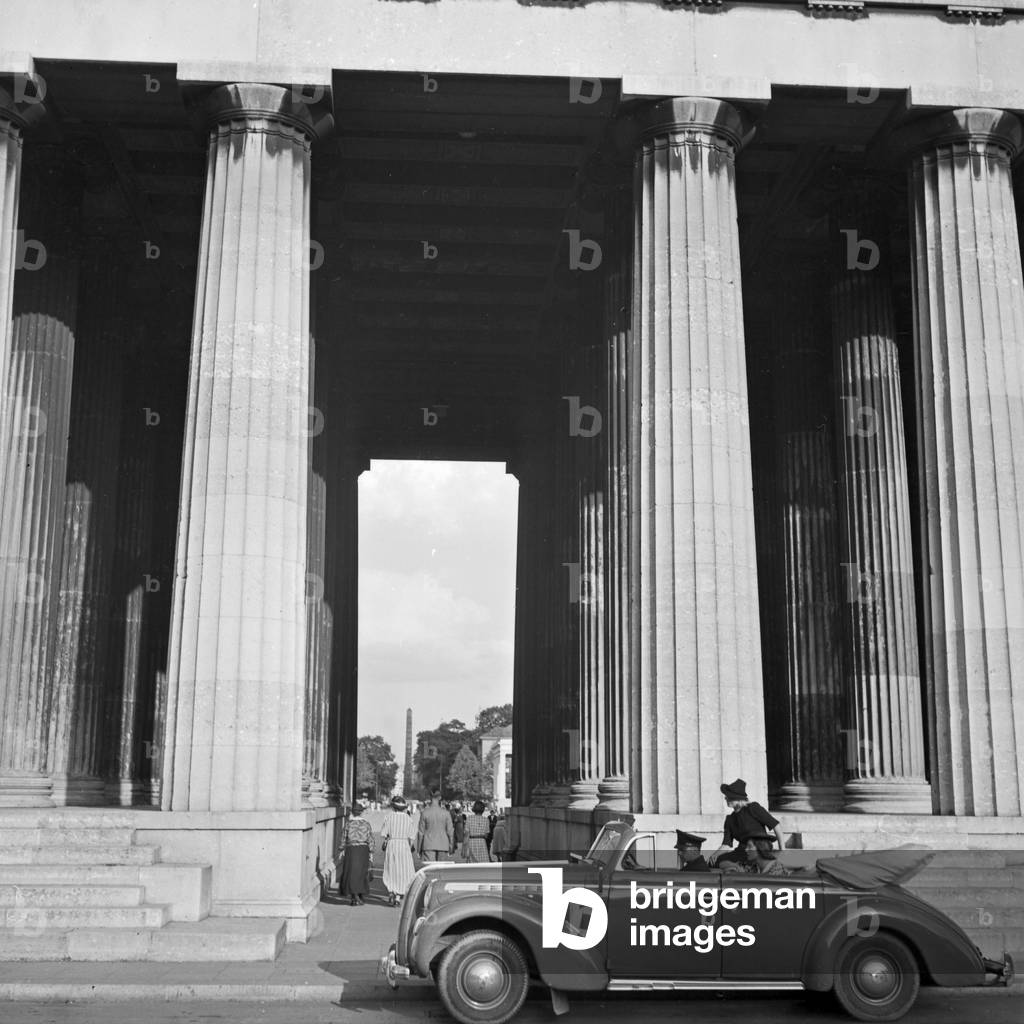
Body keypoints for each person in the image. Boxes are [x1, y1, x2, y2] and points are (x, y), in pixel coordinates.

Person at [707, 778, 785, 866]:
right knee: (716, 862)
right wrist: (715, 855)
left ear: (739, 799)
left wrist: (782, 851)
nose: (726, 799)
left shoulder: (753, 808)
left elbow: (776, 826)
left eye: (729, 797)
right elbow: (726, 844)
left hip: (759, 850)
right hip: (742, 852)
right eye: (726, 797)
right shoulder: (730, 819)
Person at [380, 795, 417, 906]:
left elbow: (384, 833)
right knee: (403, 870)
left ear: (393, 807)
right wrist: (410, 847)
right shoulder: (408, 819)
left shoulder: (389, 817)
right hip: (404, 845)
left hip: (392, 844)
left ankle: (391, 891)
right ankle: (397, 897)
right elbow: (411, 836)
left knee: (391, 868)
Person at [339, 802, 374, 906]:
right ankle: (358, 895)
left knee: (351, 872)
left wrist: (341, 849)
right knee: (361, 873)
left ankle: (354, 896)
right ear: (361, 812)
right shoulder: (366, 824)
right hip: (363, 849)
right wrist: (371, 852)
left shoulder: (348, 824)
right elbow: (370, 839)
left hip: (351, 849)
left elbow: (343, 838)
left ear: (352, 813)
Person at [720, 831, 791, 876]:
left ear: (760, 847)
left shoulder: (778, 871)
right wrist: (735, 866)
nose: (746, 849)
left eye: (749, 846)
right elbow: (723, 864)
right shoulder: (753, 866)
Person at [418, 789, 454, 861]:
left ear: (430, 797)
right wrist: (451, 846)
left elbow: (421, 833)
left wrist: (419, 849)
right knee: (441, 870)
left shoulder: (425, 813)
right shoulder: (446, 813)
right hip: (443, 844)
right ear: (440, 797)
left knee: (430, 869)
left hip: (428, 844)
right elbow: (450, 832)